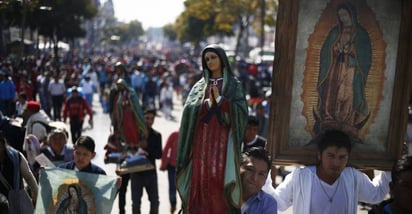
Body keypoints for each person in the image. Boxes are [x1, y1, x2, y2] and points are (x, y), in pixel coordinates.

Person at [176, 44, 249, 213]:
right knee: (200, 179)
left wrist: (223, 101)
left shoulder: (233, 85)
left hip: (223, 143)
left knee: (218, 180)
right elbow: (189, 111)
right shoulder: (199, 86)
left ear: (222, 59)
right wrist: (205, 104)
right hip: (201, 142)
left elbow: (242, 112)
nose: (210, 61)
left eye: (213, 57)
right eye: (207, 59)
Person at [266, 129, 391, 214]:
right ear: (320, 155)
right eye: (330, 156)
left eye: (342, 157)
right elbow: (276, 203)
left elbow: (377, 194)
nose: (336, 163)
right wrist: (263, 170)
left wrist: (390, 160)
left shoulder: (352, 177)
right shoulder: (301, 177)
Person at [313, 2, 372, 142]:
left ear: (351, 15)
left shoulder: (361, 34)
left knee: (347, 93)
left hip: (351, 69)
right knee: (333, 90)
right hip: (335, 67)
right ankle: (329, 117)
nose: (343, 18)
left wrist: (352, 51)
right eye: (340, 16)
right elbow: (326, 50)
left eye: (345, 15)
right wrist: (334, 50)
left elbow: (365, 56)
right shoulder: (335, 32)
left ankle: (347, 120)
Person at [130, 109, 162, 214]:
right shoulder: (134, 135)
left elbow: (159, 155)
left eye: (152, 119)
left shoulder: (157, 135)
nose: (149, 121)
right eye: (147, 118)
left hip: (151, 174)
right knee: (135, 203)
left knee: (154, 202)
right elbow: (127, 152)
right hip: (136, 173)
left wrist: (147, 148)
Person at [0, 131, 38, 209]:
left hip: (19, 202)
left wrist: (36, 196)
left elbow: (29, 178)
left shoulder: (16, 157)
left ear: (3, 145)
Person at [109, 78, 147, 149]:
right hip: (123, 115)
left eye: (121, 85)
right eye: (118, 86)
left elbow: (134, 103)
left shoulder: (130, 92)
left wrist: (128, 103)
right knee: (126, 129)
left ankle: (135, 144)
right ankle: (128, 144)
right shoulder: (119, 94)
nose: (119, 87)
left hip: (130, 114)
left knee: (132, 128)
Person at [240, 147, 277, 214]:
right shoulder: (224, 194)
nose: (254, 178)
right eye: (250, 170)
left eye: (261, 174)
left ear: (265, 179)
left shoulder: (268, 204)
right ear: (239, 168)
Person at [160, 130, 179, 213]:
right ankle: (173, 205)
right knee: (172, 188)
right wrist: (164, 163)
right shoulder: (174, 135)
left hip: (185, 168)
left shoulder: (190, 136)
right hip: (172, 166)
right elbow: (166, 148)